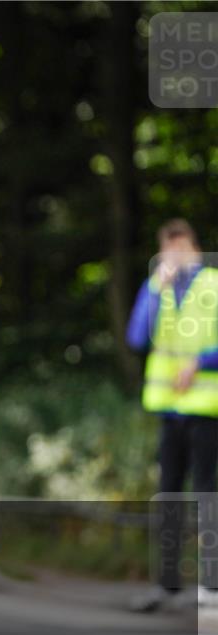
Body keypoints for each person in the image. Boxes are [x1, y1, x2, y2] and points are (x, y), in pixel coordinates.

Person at [126, 218, 218, 612]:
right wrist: (153, 289)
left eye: (181, 247)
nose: (175, 256)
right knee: (168, 497)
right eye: (169, 249)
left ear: (193, 247)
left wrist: (202, 362)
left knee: (207, 496)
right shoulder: (158, 290)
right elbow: (135, 337)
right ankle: (167, 585)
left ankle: (212, 586)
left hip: (206, 410)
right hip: (169, 412)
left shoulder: (213, 284)